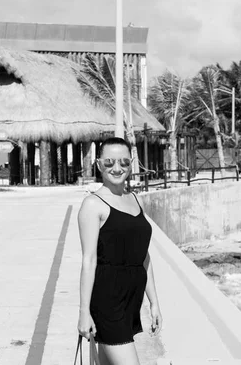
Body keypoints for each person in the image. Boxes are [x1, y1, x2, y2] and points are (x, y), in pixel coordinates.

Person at [77, 137, 162, 365]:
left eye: (124, 162)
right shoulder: (92, 205)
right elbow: (88, 261)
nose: (117, 168)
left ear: (131, 163)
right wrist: (84, 312)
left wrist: (153, 302)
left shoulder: (135, 199)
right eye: (109, 162)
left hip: (131, 299)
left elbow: (143, 256)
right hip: (108, 301)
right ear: (98, 164)